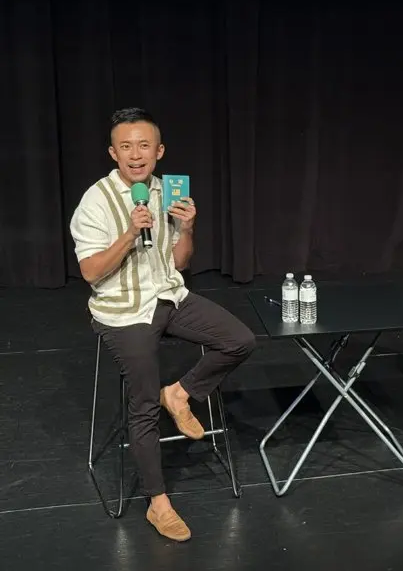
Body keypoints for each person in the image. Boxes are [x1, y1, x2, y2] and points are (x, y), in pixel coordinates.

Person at [70, 107, 256, 542]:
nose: (136, 155)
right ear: (113, 153)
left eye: (144, 146)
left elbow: (180, 262)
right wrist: (129, 234)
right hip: (122, 311)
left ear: (159, 151)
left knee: (240, 340)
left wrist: (187, 229)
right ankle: (158, 502)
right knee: (143, 404)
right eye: (126, 147)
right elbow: (91, 272)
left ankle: (180, 393)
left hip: (168, 296)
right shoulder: (96, 200)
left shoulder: (166, 191)